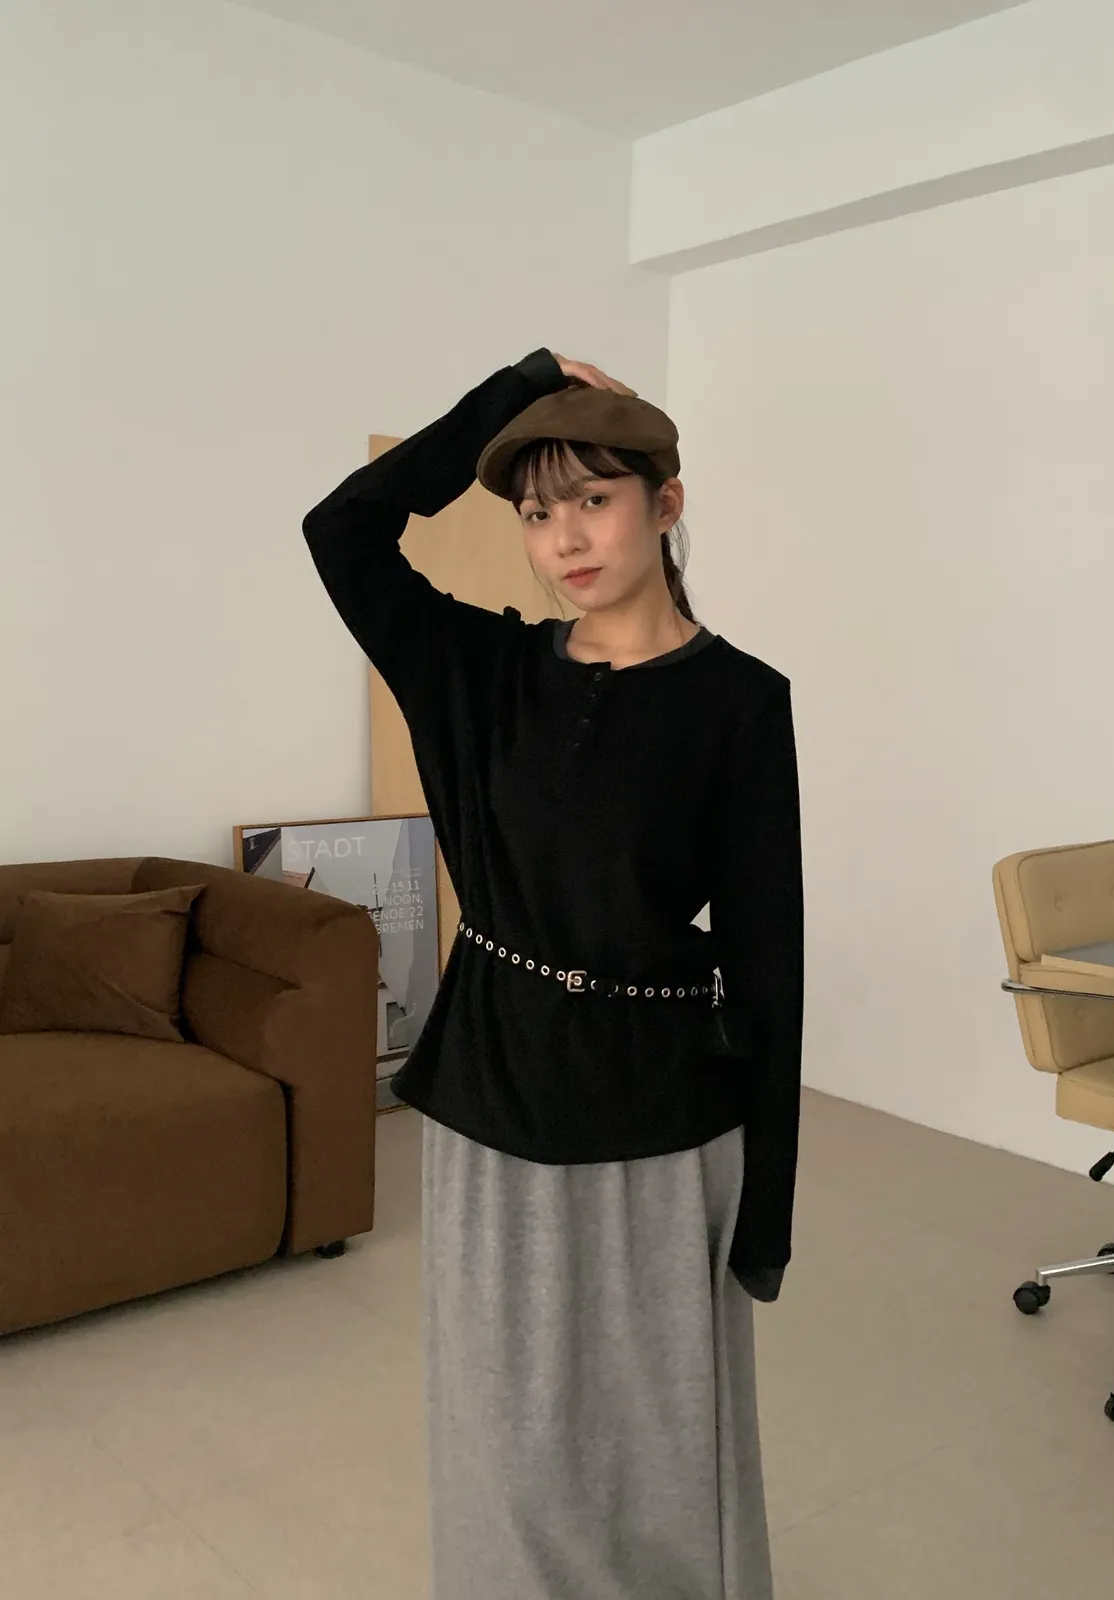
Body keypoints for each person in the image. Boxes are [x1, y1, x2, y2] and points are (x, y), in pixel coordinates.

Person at [302, 347, 804, 1600]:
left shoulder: (741, 702)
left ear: (664, 502)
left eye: (593, 497)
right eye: (535, 511)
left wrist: (770, 1211)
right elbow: (342, 529)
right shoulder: (478, 672)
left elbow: (769, 956)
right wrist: (510, 392)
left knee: (655, 1442)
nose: (564, 537)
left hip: (661, 1118)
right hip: (494, 1099)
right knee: (507, 1438)